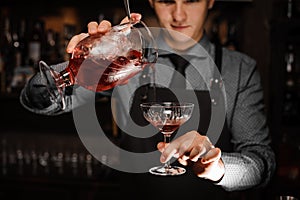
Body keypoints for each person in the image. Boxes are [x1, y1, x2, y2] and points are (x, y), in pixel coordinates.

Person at [20, 0, 276, 199]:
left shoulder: (238, 70)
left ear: (210, 1)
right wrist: (81, 62)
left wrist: (218, 167)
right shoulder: (127, 61)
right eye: (166, 1)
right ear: (152, 2)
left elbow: (262, 163)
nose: (179, 15)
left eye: (191, 1)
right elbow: (38, 101)